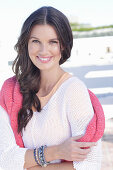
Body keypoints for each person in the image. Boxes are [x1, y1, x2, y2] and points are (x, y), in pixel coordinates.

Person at [0, 6, 104, 170]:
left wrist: (28, 165)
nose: (43, 50)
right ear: (26, 43)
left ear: (63, 45)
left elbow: (90, 164)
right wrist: (55, 152)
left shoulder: (73, 90)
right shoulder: (11, 91)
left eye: (52, 42)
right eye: (35, 41)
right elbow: (4, 159)